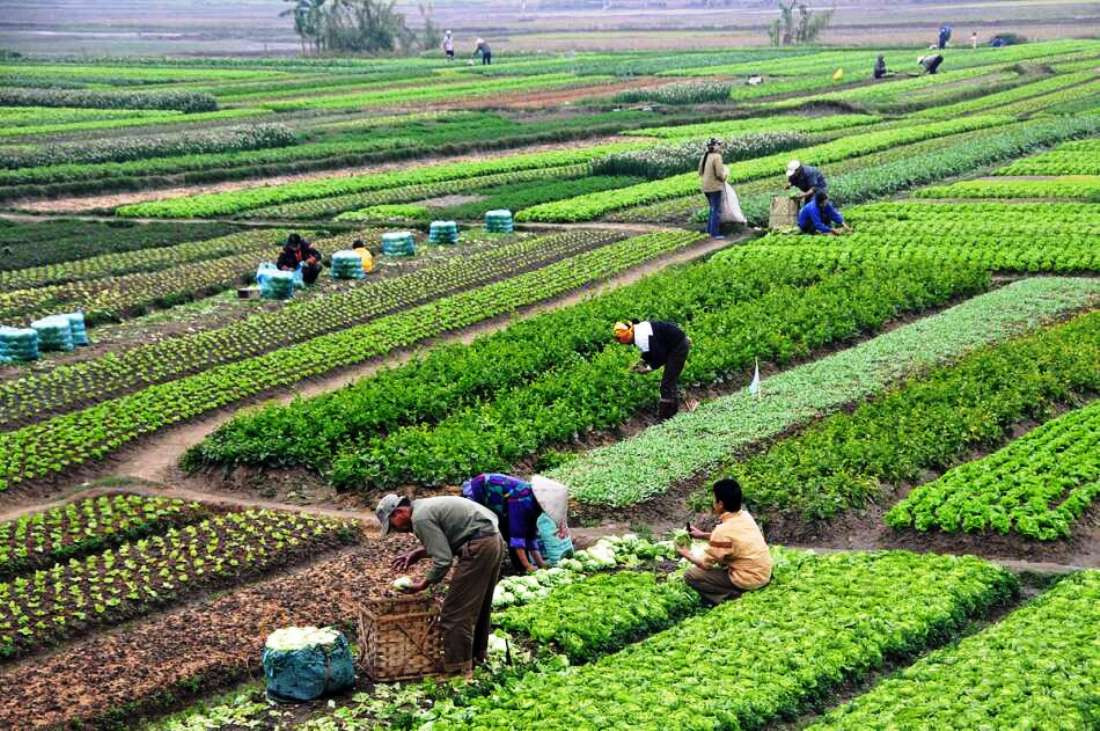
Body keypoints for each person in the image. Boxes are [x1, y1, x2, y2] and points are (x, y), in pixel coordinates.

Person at [378, 494, 505, 676]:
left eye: (393, 525)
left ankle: (459, 669)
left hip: (479, 545)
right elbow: (450, 537)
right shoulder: (424, 507)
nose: (397, 530)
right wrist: (419, 553)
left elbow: (443, 560)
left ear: (399, 512)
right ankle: (477, 657)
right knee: (479, 606)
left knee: (454, 613)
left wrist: (424, 584)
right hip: (492, 540)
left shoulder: (420, 518)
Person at [677, 478, 772, 606]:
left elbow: (705, 564)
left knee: (691, 575)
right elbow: (733, 539)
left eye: (714, 499)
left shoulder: (722, 531)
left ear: (720, 504)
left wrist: (685, 553)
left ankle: (731, 596)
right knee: (723, 562)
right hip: (763, 574)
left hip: (748, 580)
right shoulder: (745, 516)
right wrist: (702, 535)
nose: (712, 503)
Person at [460, 473, 571, 571]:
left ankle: (522, 566)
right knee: (496, 533)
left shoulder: (535, 505)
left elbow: (530, 535)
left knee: (520, 532)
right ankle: (481, 566)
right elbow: (516, 534)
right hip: (480, 493)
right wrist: (528, 566)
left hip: (501, 502)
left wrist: (540, 564)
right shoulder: (523, 501)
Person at [613, 320, 691, 420]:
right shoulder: (638, 330)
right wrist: (642, 361)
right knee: (669, 381)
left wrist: (648, 368)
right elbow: (650, 350)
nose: (625, 344)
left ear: (627, 337)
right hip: (671, 345)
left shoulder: (641, 336)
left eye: (623, 341)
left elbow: (660, 356)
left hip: (678, 347)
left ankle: (664, 418)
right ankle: (672, 413)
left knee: (667, 383)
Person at [699, 138, 727, 239]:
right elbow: (719, 174)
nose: (720, 147)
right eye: (719, 145)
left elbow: (700, 172)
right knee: (716, 210)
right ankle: (714, 233)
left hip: (705, 186)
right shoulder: (717, 157)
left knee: (712, 208)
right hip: (714, 187)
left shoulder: (705, 156)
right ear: (715, 147)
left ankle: (709, 231)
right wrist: (725, 176)